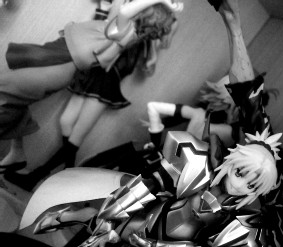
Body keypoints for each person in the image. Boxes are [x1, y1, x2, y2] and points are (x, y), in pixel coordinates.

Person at [3, 0, 179, 191]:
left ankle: (43, 176)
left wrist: (163, 6)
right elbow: (108, 24)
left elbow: (125, 14)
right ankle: (63, 173)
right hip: (88, 74)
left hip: (103, 83)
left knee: (75, 135)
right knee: (65, 122)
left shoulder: (131, 34)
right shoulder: (125, 30)